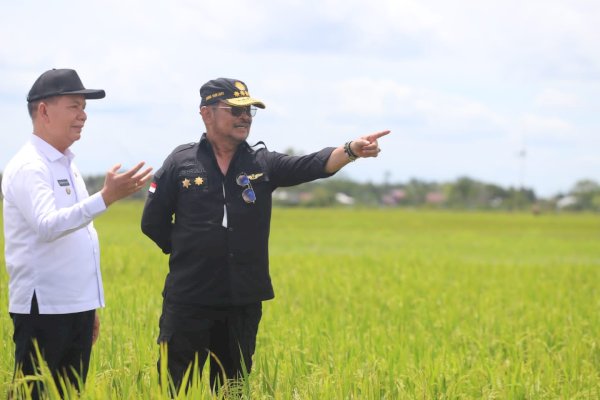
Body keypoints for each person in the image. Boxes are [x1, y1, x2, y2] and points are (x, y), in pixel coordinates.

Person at [141, 77, 389, 392]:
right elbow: (153, 221)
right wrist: (188, 251)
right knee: (173, 387)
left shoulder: (262, 161)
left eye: (249, 111)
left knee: (233, 387)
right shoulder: (182, 163)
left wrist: (351, 150)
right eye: (235, 110)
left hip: (242, 299)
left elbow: (312, 164)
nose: (244, 117)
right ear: (206, 113)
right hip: (189, 297)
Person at [1, 68, 153, 398]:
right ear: (43, 110)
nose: (83, 116)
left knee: (69, 395)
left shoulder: (67, 164)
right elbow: (47, 225)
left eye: (84, 107)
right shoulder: (30, 166)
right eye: (74, 106)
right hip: (42, 309)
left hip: (73, 308)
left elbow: (78, 236)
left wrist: (87, 307)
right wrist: (106, 197)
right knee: (34, 394)